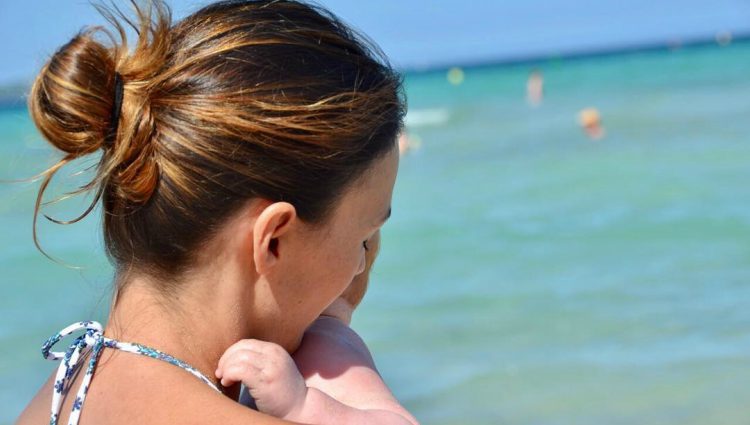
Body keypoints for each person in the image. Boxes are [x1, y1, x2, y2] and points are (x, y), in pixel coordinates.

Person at [16, 1, 415, 424]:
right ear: (274, 239)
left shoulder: (58, 397)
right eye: (363, 239)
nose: (360, 268)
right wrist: (342, 357)